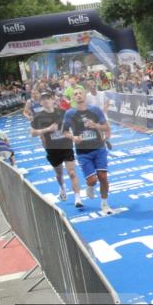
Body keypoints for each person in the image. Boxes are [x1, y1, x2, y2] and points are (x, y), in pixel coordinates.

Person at [62, 86, 113, 215]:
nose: (78, 95)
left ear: (85, 96)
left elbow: (106, 127)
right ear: (73, 98)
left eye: (80, 93)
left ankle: (105, 204)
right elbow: (64, 132)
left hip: (99, 147)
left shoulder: (95, 110)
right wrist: (73, 138)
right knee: (92, 180)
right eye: (76, 94)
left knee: (103, 177)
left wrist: (95, 125)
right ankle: (90, 186)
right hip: (83, 151)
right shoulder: (70, 113)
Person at [30, 92, 83, 206]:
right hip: (52, 149)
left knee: (72, 173)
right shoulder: (38, 116)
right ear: (40, 102)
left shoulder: (63, 112)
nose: (46, 101)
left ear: (53, 100)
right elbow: (32, 133)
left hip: (66, 146)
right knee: (59, 174)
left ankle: (78, 198)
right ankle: (62, 187)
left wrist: (74, 136)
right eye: (43, 99)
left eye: (48, 98)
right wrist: (47, 129)